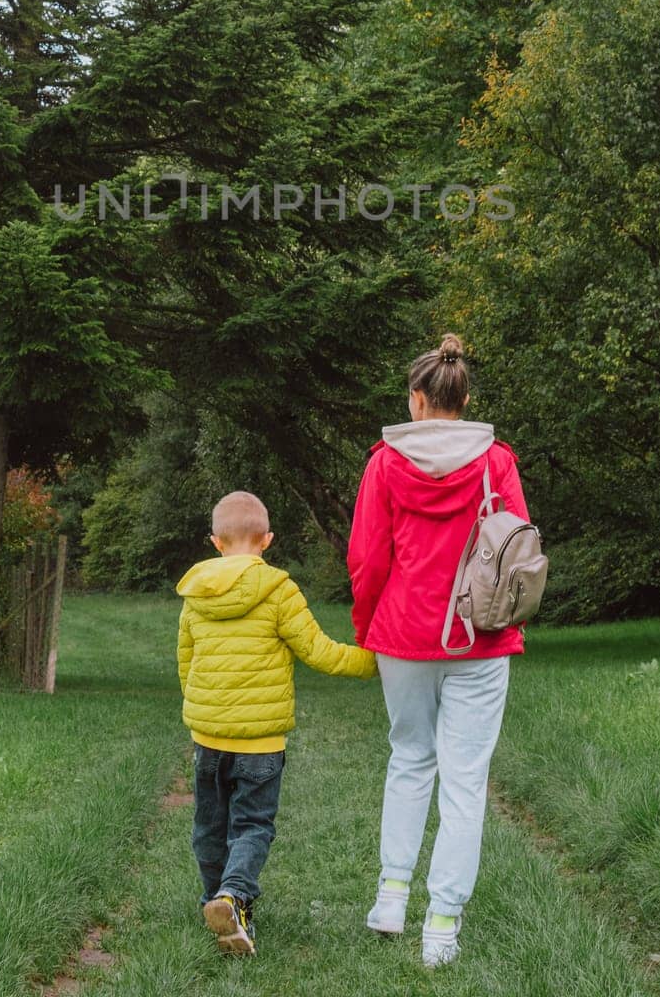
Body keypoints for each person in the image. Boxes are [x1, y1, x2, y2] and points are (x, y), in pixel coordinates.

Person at [346, 334, 530, 968]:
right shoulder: (495, 460)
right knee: (465, 781)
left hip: (403, 635)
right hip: (479, 638)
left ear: (416, 399)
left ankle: (391, 898)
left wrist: (368, 626)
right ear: (465, 398)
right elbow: (517, 553)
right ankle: (442, 928)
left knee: (409, 758)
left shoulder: (385, 463)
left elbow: (367, 559)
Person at [177, 489, 377, 956]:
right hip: (260, 743)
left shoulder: (195, 594)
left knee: (209, 826)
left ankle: (214, 900)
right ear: (266, 540)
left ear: (215, 542)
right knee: (251, 826)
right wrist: (373, 662)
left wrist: (203, 707)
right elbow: (319, 652)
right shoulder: (279, 590)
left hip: (208, 737)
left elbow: (186, 663)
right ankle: (233, 897)